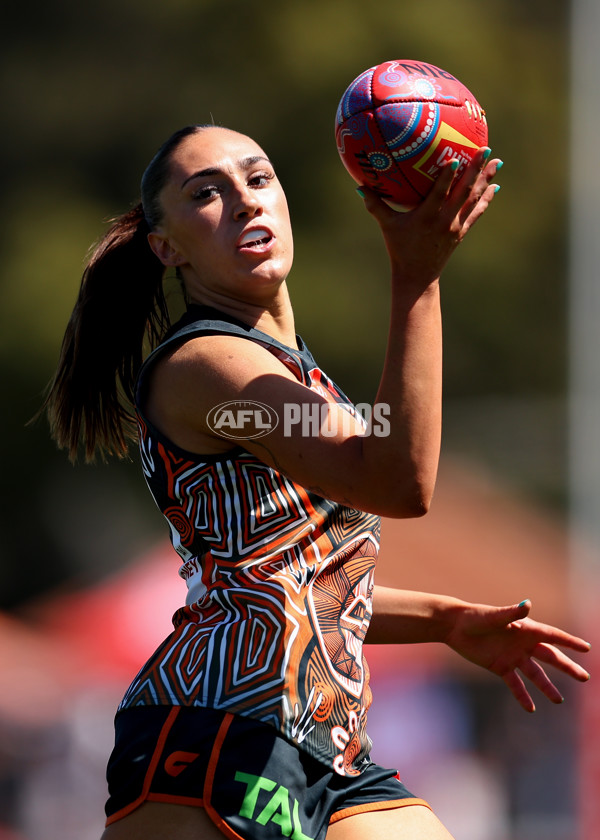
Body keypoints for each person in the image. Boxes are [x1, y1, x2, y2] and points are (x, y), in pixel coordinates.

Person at [43, 123, 590, 840]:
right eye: (207, 193)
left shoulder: (300, 380)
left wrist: (444, 620)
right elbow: (398, 482)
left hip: (329, 749)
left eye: (258, 178)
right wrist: (416, 277)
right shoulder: (210, 366)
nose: (244, 201)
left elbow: (296, 585)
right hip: (213, 732)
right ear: (167, 246)